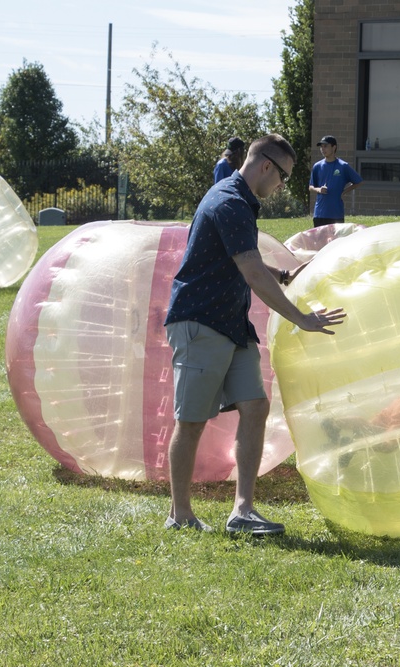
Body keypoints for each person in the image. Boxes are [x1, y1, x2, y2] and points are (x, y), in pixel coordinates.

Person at [164, 133, 346, 535]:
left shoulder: (239, 202)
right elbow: (248, 270)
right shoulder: (229, 200)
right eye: (283, 177)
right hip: (201, 321)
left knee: (256, 406)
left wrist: (282, 275)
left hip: (232, 323)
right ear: (267, 166)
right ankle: (180, 515)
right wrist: (302, 318)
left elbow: (242, 256)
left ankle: (242, 512)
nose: (282, 186)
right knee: (191, 420)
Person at [308, 135, 363, 227]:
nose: (322, 149)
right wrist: (319, 190)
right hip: (320, 214)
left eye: (325, 146)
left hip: (336, 214)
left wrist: (343, 192)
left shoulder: (343, 166)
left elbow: (359, 182)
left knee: (336, 241)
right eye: (321, 147)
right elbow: (311, 187)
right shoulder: (317, 166)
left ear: (334, 147)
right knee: (321, 241)